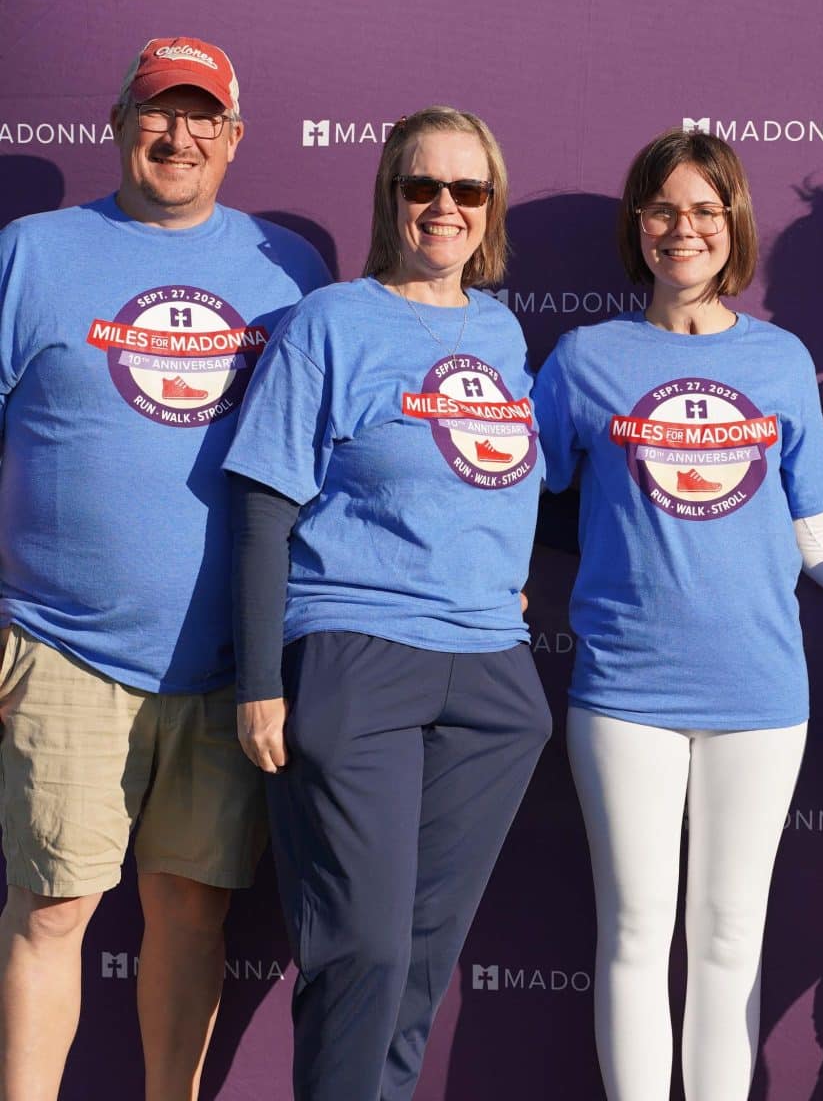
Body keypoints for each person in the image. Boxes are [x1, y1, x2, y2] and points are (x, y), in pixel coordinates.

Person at [0, 36, 329, 1099]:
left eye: (202, 118)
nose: (176, 136)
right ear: (118, 123)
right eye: (157, 112)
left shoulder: (289, 269)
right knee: (52, 909)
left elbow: (337, 452)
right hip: (60, 646)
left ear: (235, 137)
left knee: (193, 910)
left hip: (232, 662)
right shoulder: (33, 253)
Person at [532, 128, 823, 1100]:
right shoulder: (584, 359)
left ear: (733, 227)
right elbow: (511, 495)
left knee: (728, 938)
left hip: (761, 694)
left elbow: (814, 540)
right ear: (637, 225)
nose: (682, 229)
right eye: (663, 209)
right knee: (634, 931)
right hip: (622, 691)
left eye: (703, 210)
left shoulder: (778, 359)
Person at [224, 106, 552, 1101]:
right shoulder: (331, 320)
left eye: (467, 190)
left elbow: (491, 475)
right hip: (354, 651)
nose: (444, 207)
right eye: (422, 187)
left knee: (421, 953)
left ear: (488, 208)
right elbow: (262, 501)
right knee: (359, 945)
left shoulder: (500, 328)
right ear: (389, 197)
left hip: (492, 674)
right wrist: (258, 681)